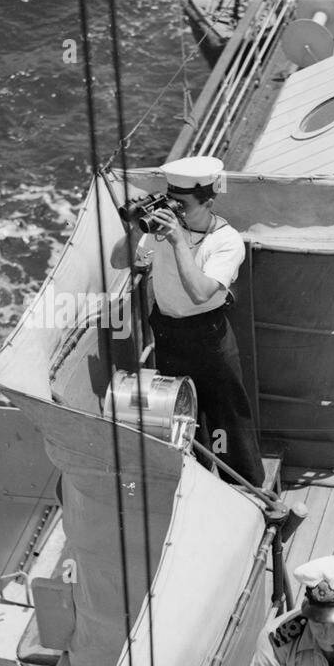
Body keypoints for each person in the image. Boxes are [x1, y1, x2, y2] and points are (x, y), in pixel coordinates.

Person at [118, 155, 264, 488]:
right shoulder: (164, 229)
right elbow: (118, 260)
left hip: (208, 339)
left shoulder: (225, 242)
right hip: (169, 334)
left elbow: (200, 292)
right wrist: (132, 229)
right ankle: (197, 482)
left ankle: (243, 489)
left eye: (181, 205)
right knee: (183, 418)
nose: (175, 212)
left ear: (208, 201)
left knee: (226, 423)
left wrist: (177, 241)